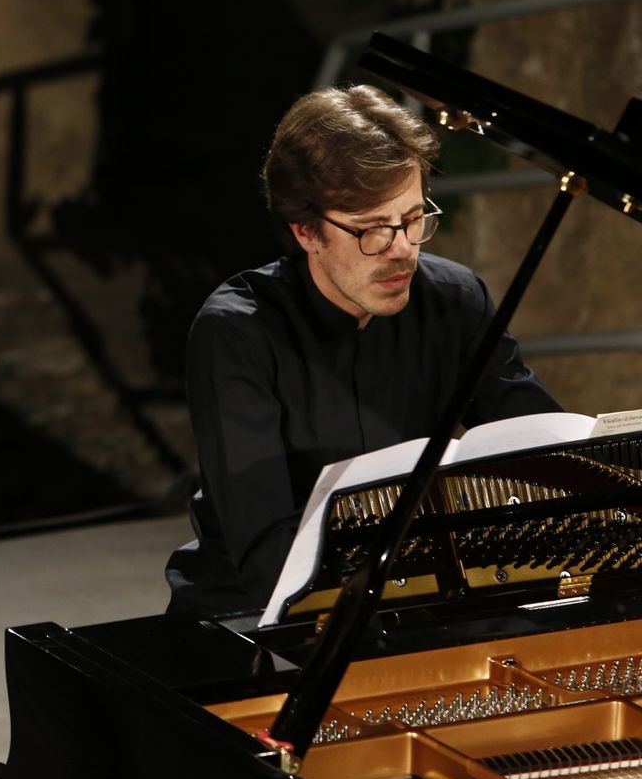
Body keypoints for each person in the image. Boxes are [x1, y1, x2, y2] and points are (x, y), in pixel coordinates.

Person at [164, 84, 561, 619]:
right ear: (306, 231)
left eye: (413, 219)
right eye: (372, 230)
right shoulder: (238, 332)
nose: (402, 250)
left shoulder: (455, 300)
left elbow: (547, 452)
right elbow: (266, 554)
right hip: (249, 616)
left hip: (411, 597)